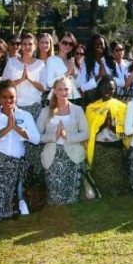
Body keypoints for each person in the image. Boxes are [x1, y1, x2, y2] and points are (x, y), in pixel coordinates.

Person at [0, 81, 40, 220]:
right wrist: (5, 130)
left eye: (12, 97)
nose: (8, 100)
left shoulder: (25, 115)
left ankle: (17, 205)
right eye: (4, 97)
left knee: (18, 203)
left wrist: (17, 128)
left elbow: (36, 139)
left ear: (16, 97)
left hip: (17, 164)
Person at [1, 32, 47, 191]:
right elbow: (5, 84)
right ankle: (15, 183)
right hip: (15, 108)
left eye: (30, 44)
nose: (27, 47)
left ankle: (33, 183)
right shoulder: (12, 62)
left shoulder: (41, 64)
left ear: (35, 46)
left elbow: (44, 87)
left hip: (34, 108)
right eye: (25, 44)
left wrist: (29, 79)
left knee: (32, 144)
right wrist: (21, 79)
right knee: (16, 142)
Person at [36, 77, 89, 206]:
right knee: (55, 199)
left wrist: (67, 135)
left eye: (66, 89)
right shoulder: (45, 111)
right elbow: (37, 136)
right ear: (54, 91)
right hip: (52, 157)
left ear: (70, 91)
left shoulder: (78, 110)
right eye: (60, 89)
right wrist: (53, 136)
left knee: (72, 199)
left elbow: (86, 134)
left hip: (74, 156)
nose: (63, 92)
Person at [84, 76, 128, 196]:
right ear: (99, 89)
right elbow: (89, 132)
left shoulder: (122, 107)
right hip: (99, 149)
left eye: (111, 88)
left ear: (115, 90)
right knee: (101, 178)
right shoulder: (91, 108)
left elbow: (126, 132)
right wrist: (103, 126)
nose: (108, 90)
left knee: (116, 180)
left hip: (116, 149)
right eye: (105, 87)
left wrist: (112, 127)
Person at [78, 34, 124, 104]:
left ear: (105, 45)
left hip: (110, 102)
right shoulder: (86, 63)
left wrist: (107, 76)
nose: (99, 46)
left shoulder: (111, 61)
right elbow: (83, 87)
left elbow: (122, 83)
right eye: (96, 44)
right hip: (92, 102)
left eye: (101, 44)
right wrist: (98, 76)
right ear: (92, 46)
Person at [45, 31, 81, 105]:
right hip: (57, 100)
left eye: (71, 44)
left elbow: (78, 85)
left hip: (74, 100)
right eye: (65, 42)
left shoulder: (72, 61)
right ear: (59, 42)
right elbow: (49, 83)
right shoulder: (52, 60)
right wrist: (67, 73)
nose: (67, 46)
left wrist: (73, 73)